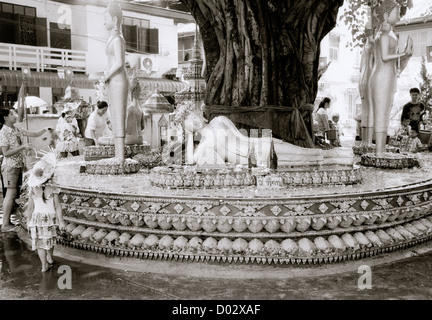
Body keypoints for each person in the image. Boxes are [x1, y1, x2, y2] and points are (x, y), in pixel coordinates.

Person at [369, 0, 413, 155]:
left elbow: (397, 65)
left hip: (389, 77)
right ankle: (379, 151)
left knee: (385, 112)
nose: (399, 15)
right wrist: (404, 53)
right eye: (396, 12)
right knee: (380, 113)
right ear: (386, 15)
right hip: (381, 77)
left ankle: (381, 149)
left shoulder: (391, 35)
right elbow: (385, 56)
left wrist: (407, 56)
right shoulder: (383, 35)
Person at [0, 108, 52, 232]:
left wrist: (45, 129)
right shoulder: (3, 132)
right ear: (5, 118)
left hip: (18, 165)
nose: (15, 115)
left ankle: (7, 222)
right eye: (12, 114)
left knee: (13, 194)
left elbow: (33, 134)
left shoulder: (16, 129)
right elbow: (6, 153)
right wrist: (23, 147)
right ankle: (5, 225)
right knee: (10, 194)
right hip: (10, 166)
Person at [89, 1, 129, 162]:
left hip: (118, 79)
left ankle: (120, 156)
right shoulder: (112, 38)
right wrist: (105, 77)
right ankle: (118, 154)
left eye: (106, 18)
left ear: (114, 19)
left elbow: (119, 62)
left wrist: (106, 76)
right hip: (113, 79)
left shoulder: (118, 39)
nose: (104, 22)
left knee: (119, 116)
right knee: (113, 115)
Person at [25, 152, 66, 272]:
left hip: (37, 219)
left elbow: (30, 208)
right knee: (49, 241)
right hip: (49, 219)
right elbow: (58, 206)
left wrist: (28, 221)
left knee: (39, 243)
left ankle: (44, 265)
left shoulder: (33, 190)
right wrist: (61, 221)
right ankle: (50, 257)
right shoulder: (52, 189)